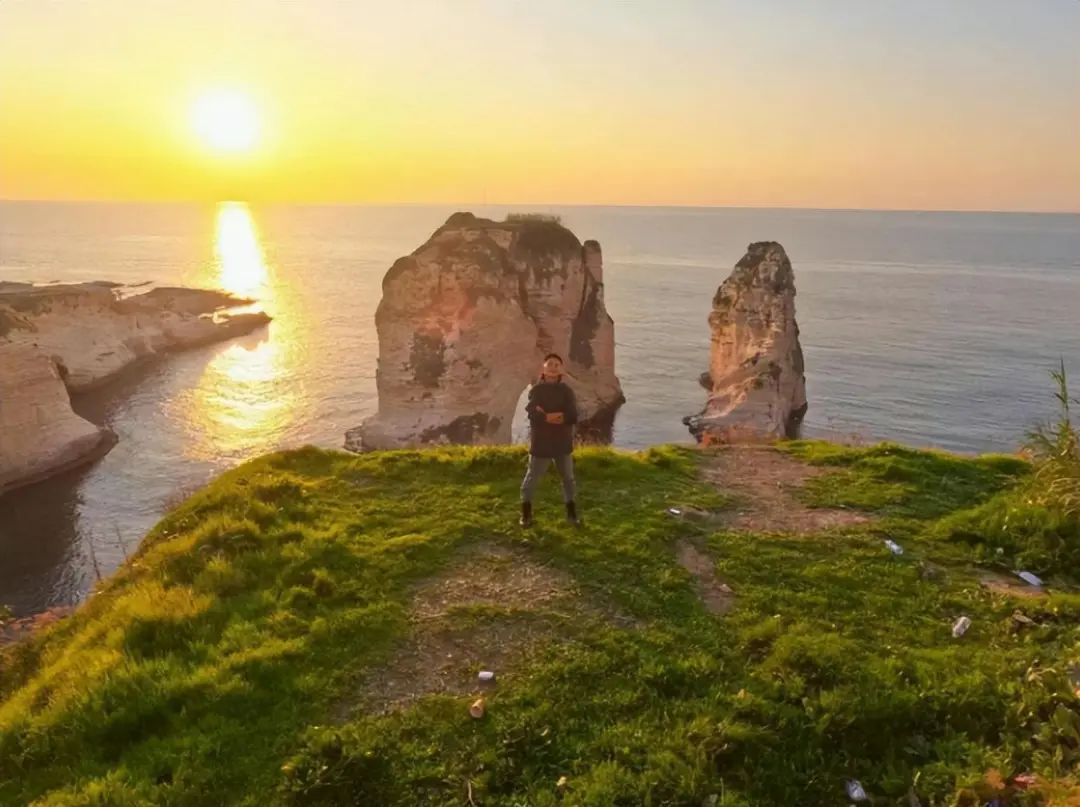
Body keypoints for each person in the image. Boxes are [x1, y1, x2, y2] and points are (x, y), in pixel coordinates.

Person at [520, 353, 580, 527]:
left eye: (557, 364)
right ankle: (526, 515)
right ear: (544, 368)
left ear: (561, 369)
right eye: (550, 364)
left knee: (568, 478)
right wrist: (555, 416)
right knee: (532, 477)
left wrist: (547, 415)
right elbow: (532, 414)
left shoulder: (567, 391)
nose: (553, 366)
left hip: (562, 442)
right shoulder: (536, 390)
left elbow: (572, 415)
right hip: (542, 442)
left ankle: (572, 514)